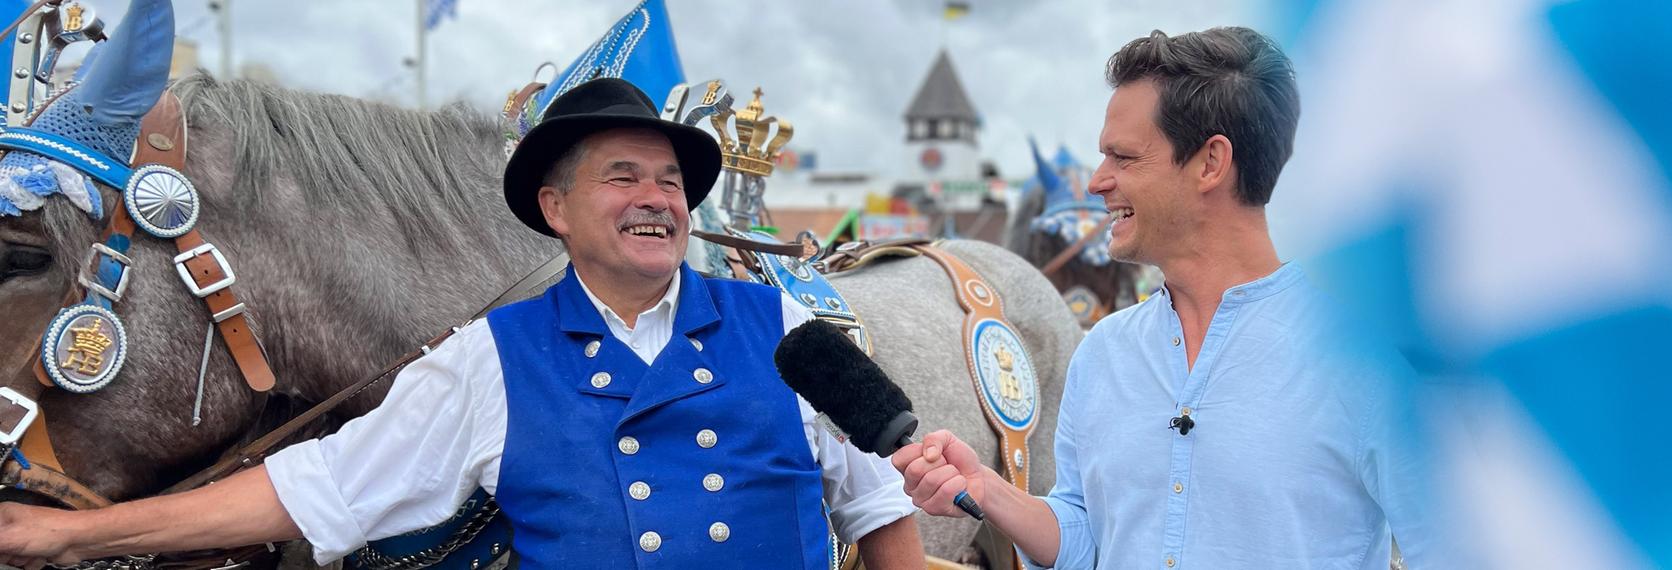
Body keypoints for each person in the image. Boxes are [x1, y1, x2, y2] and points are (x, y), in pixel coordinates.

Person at [0, 78, 924, 569]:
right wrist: (68, 536)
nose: (657, 201)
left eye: (671, 182)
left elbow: (878, 507)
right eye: (624, 178)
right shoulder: (489, 361)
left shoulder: (781, 325)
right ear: (555, 211)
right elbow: (314, 490)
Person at [893, 27, 1455, 569]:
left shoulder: (1365, 360)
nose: (1096, 181)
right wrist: (989, 492)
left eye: (1124, 157)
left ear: (1210, 163)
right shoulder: (1103, 351)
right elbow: (1087, 537)